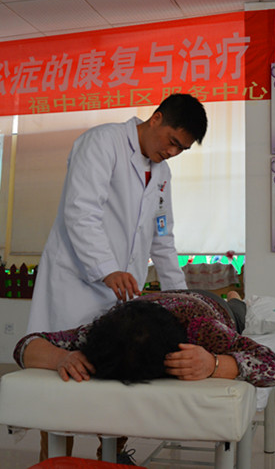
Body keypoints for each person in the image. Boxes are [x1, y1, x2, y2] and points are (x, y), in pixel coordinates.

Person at [27, 94, 207, 335]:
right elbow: (82, 212)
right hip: (77, 285)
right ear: (156, 119)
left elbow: (162, 238)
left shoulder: (162, 173)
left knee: (110, 353)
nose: (172, 152)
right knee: (67, 352)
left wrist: (183, 299)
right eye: (172, 141)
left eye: (181, 149)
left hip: (121, 291)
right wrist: (107, 269)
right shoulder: (103, 142)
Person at [16, 289, 275, 388]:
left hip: (213, 304)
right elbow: (26, 345)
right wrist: (61, 357)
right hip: (163, 297)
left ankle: (234, 295)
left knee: (239, 309)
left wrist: (215, 364)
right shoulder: (103, 333)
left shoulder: (203, 330)